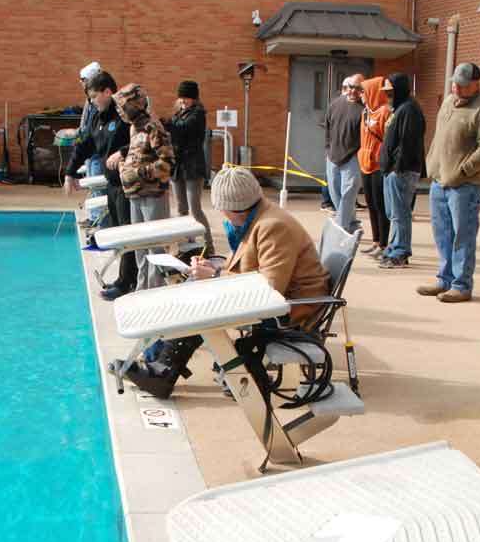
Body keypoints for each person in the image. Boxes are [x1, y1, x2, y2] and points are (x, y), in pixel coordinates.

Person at [124, 166, 331, 399]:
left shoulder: (273, 226)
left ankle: (162, 371)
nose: (220, 212)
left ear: (233, 207)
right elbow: (247, 268)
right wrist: (212, 267)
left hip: (292, 307)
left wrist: (214, 276)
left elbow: (270, 288)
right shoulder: (257, 218)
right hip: (281, 298)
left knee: (200, 305)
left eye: (220, 207)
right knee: (196, 294)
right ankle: (160, 367)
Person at [418, 62, 480, 303]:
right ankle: (444, 279)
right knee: (442, 233)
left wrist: (464, 169)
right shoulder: (448, 102)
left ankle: (462, 285)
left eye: (463, 85)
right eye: (455, 83)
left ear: (476, 84)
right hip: (439, 180)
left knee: (462, 236)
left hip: (465, 185)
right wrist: (431, 163)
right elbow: (439, 137)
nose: (457, 88)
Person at [66, 71, 134, 301]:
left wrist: (122, 151)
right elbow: (85, 144)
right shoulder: (98, 116)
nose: (92, 102)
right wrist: (70, 171)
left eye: (95, 96)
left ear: (108, 92)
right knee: (117, 230)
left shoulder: (125, 114)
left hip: (130, 184)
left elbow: (144, 138)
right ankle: (125, 277)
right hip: (113, 184)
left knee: (127, 233)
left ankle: (127, 282)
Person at [116, 83, 176, 291]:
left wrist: (139, 173)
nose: (120, 111)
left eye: (123, 106)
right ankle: (142, 290)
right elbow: (136, 157)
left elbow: (167, 163)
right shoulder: (134, 129)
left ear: (134, 105)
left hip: (153, 195)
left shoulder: (153, 127)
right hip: (135, 195)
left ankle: (155, 293)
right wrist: (125, 167)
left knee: (156, 250)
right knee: (140, 247)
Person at [377, 73, 425, 269]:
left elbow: (407, 142)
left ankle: (401, 251)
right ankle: (393, 246)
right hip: (392, 170)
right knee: (393, 212)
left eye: (390, 92)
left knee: (400, 212)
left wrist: (397, 167)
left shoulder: (409, 110)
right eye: (385, 92)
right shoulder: (398, 109)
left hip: (402, 171)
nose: (387, 96)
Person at [163, 80, 214, 253]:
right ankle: (187, 242)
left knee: (195, 208)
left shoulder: (198, 114)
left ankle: (209, 245)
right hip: (179, 167)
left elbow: (182, 129)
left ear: (194, 98)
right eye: (181, 97)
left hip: (192, 167)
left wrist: (161, 123)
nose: (183, 100)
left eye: (187, 97)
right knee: (181, 208)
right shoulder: (179, 113)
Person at [65, 61, 108, 228]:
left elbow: (93, 128)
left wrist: (81, 134)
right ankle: (94, 219)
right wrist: (77, 133)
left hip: (97, 152)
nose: (81, 83)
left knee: (98, 188)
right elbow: (85, 124)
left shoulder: (99, 101)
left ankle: (99, 222)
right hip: (90, 151)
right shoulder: (90, 100)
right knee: (93, 186)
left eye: (83, 79)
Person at [322, 74, 366, 232]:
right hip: (333, 157)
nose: (353, 91)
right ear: (346, 87)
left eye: (358, 88)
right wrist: (328, 149)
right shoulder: (335, 104)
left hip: (352, 158)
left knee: (348, 194)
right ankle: (352, 224)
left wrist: (358, 155)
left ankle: (341, 229)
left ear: (363, 90)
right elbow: (327, 127)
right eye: (351, 87)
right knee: (335, 194)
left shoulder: (364, 109)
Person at [358, 75, 392, 256]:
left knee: (380, 205)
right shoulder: (365, 112)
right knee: (370, 204)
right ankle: (375, 240)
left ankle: (384, 244)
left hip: (378, 164)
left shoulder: (385, 111)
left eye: (363, 91)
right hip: (365, 163)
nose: (361, 95)